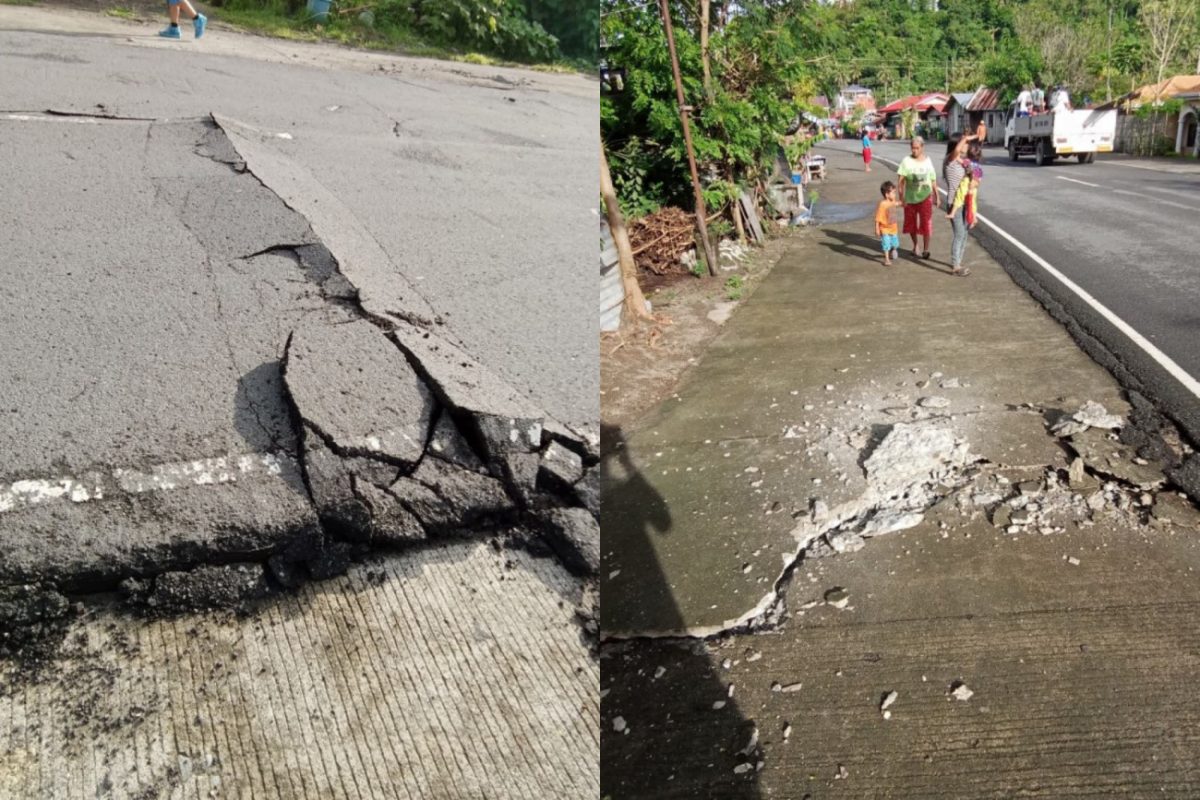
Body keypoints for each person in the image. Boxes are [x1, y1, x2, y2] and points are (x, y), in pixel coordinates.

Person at [896, 136, 938, 260]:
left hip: (926, 197)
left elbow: (933, 179)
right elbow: (900, 182)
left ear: (922, 148)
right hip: (910, 198)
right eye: (912, 148)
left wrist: (937, 195)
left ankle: (926, 249)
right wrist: (901, 197)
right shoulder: (906, 161)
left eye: (917, 148)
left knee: (926, 223)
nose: (914, 151)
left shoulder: (928, 161)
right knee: (911, 224)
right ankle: (916, 246)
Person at [942, 133, 972, 276]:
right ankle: (955, 265)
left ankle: (958, 262)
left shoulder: (961, 161)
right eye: (963, 143)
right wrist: (965, 138)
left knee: (965, 233)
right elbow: (955, 152)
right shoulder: (950, 160)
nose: (966, 146)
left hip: (965, 202)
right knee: (959, 234)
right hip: (955, 203)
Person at [876, 181, 901, 267]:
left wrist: (902, 203)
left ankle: (892, 250)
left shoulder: (892, 201)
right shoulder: (883, 204)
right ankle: (886, 259)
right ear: (887, 194)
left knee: (895, 244)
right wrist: (877, 229)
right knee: (886, 244)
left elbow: (896, 203)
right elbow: (878, 218)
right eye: (893, 193)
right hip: (885, 228)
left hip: (894, 228)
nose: (895, 195)